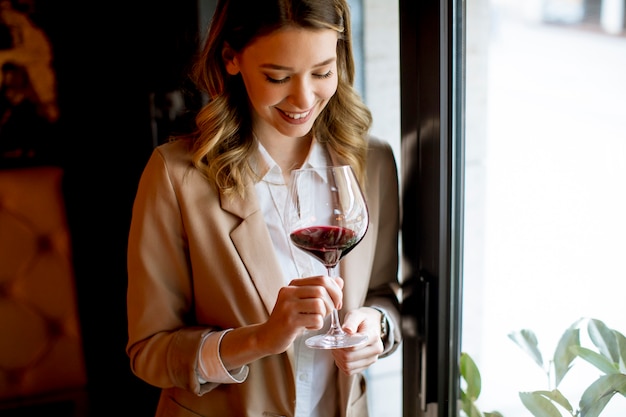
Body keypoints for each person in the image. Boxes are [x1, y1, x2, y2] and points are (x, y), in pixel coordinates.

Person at [125, 0, 401, 416]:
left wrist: (375, 327)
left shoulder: (372, 162)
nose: (304, 98)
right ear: (231, 58)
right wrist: (260, 338)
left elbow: (383, 293)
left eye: (323, 72)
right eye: (278, 76)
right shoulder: (175, 176)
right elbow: (149, 351)